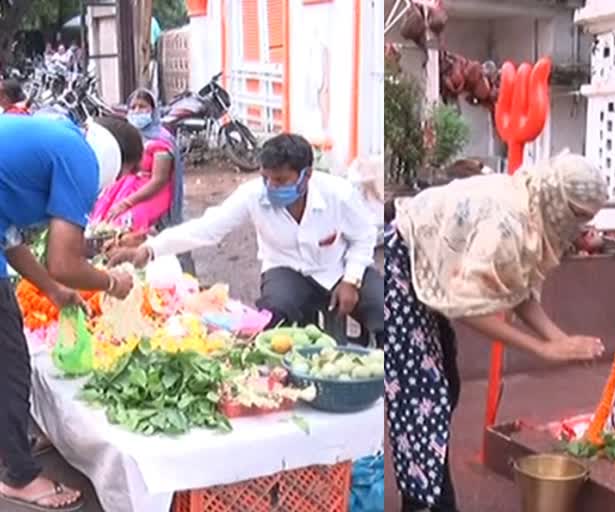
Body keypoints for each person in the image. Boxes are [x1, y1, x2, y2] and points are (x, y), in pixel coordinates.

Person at [386, 150, 608, 511]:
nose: (578, 228)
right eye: (579, 216)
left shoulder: (532, 203)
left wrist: (559, 339)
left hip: (424, 272)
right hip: (402, 271)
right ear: (559, 199)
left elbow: (512, 286)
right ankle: (425, 501)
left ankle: (430, 487)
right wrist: (541, 349)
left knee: (446, 386)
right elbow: (465, 305)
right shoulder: (509, 221)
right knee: (425, 398)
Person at [108, 133, 384, 345]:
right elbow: (208, 229)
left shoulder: (339, 194)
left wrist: (352, 279)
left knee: (384, 305)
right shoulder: (254, 195)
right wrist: (150, 249)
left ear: (306, 175)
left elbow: (365, 236)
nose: (272, 187)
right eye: (267, 179)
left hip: (337, 269)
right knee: (274, 316)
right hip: (285, 269)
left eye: (281, 180)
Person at [0, 115, 141, 512]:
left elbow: (10, 240)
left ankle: (9, 449)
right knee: (9, 362)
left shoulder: (58, 137)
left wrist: (53, 291)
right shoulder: (82, 160)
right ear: (122, 163)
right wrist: (112, 282)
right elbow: (64, 260)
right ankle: (20, 478)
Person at [91, 89, 183, 234]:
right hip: (127, 187)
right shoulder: (131, 137)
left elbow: (159, 181)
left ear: (152, 111)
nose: (137, 111)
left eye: (142, 107)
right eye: (133, 107)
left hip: (153, 193)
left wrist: (127, 203)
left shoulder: (161, 141)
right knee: (101, 213)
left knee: (126, 222)